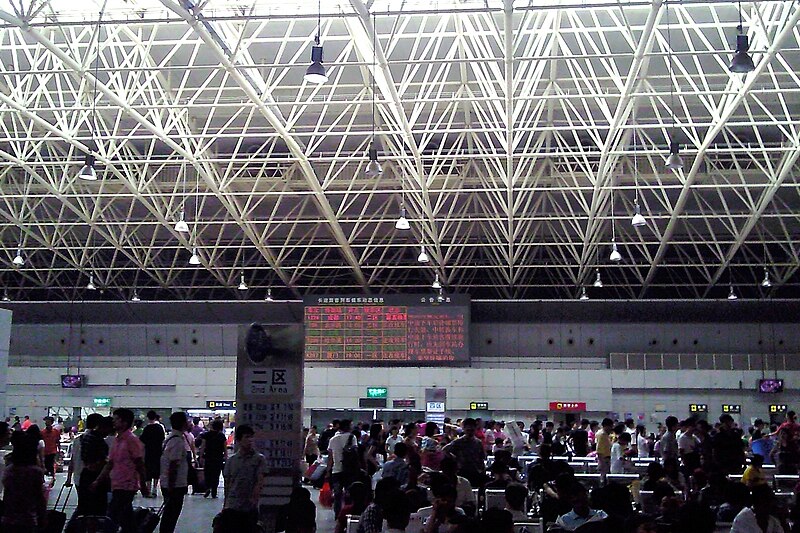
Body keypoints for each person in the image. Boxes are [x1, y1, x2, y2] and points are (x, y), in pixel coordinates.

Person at [92, 408, 149, 533]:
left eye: (116, 419)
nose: (113, 422)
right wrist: (98, 481)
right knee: (126, 519)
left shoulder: (132, 440)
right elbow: (110, 464)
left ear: (125, 422)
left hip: (127, 485)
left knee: (113, 515)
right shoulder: (117, 440)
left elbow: (139, 463)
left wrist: (144, 484)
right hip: (117, 484)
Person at [223, 424, 269, 529]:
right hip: (233, 506)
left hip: (250, 507)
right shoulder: (231, 461)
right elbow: (227, 483)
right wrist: (226, 504)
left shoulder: (259, 459)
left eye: (251, 437)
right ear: (239, 440)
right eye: (246, 437)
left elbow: (260, 481)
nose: (250, 440)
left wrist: (254, 500)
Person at [1, 431, 47, 533]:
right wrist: (42, 518)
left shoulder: (9, 470)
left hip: (8, 517)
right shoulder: (35, 471)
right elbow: (39, 498)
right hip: (28, 518)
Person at [74, 413, 111, 517]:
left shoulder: (83, 438)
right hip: (94, 476)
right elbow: (98, 461)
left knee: (84, 508)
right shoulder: (97, 440)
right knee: (97, 509)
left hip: (84, 475)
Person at [159, 411, 190, 533]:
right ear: (182, 423)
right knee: (171, 514)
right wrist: (172, 485)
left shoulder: (170, 438)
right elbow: (173, 464)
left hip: (168, 482)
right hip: (175, 485)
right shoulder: (177, 441)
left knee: (169, 513)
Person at [327, 419, 360, 518]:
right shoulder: (352, 437)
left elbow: (330, 458)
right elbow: (355, 453)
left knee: (337, 494)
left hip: (336, 470)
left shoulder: (332, 439)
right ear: (347, 427)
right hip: (349, 470)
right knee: (348, 493)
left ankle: (337, 515)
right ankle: (347, 514)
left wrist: (328, 471)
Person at [441, 418, 485, 488]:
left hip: (475, 471)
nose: (470, 433)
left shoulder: (478, 442)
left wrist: (482, 470)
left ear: (475, 429)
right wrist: (454, 459)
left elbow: (481, 458)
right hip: (462, 470)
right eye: (468, 430)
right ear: (463, 429)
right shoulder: (458, 442)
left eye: (472, 430)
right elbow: (444, 450)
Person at [140, 410, 166, 496]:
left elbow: (142, 441)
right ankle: (155, 489)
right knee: (156, 471)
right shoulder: (160, 428)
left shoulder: (147, 428)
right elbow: (163, 439)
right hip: (158, 452)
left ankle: (148, 489)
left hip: (148, 452)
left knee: (148, 470)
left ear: (148, 418)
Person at [201, 418, 228, 499]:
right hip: (218, 458)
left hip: (208, 457)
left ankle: (207, 487)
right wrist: (226, 457)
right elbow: (225, 448)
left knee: (207, 473)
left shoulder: (206, 435)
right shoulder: (222, 436)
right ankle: (214, 492)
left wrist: (201, 456)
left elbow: (203, 446)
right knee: (216, 475)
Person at [595, 418, 613, 483]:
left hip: (605, 459)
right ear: (606, 426)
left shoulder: (603, 434)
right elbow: (599, 451)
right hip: (603, 460)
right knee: (603, 479)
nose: (611, 428)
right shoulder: (602, 435)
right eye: (611, 426)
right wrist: (603, 464)